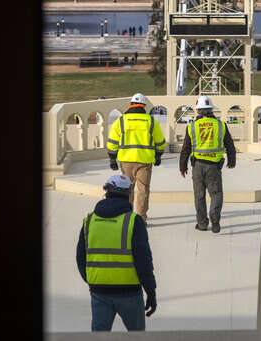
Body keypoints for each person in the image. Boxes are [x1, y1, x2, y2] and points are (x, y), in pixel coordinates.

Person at [76, 174, 157, 332]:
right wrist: (151, 291)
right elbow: (144, 261)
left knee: (99, 336)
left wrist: (94, 280)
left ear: (106, 191)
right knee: (137, 336)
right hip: (130, 293)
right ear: (129, 194)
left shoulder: (89, 221)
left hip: (99, 292)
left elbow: (80, 258)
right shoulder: (133, 221)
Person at [178, 96, 237, 233]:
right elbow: (229, 144)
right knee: (216, 194)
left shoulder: (192, 126)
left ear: (198, 110)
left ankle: (202, 224)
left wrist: (183, 167)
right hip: (214, 167)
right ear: (211, 109)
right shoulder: (221, 125)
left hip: (197, 166)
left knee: (199, 196)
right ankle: (215, 218)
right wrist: (232, 161)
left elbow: (185, 148)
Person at [106, 93, 166, 224]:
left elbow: (112, 142)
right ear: (143, 106)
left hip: (126, 162)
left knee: (127, 189)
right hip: (144, 162)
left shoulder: (121, 121)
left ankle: (126, 218)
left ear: (131, 104)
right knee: (143, 191)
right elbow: (160, 142)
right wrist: (158, 155)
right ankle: (140, 219)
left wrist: (112, 159)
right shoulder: (150, 121)